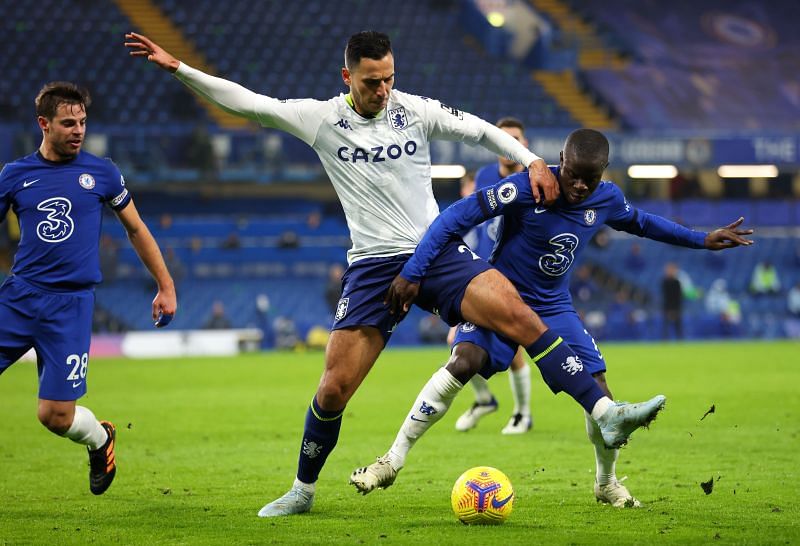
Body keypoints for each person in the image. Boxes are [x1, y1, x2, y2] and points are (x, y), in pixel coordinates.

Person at [126, 31, 664, 518]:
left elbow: (479, 131)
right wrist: (180, 69)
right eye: (372, 81)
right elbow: (249, 103)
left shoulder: (415, 110)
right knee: (333, 390)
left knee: (518, 313)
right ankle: (302, 490)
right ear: (347, 76)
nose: (383, 90)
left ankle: (604, 411)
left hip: (438, 252)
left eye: (389, 78)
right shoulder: (321, 119)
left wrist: (532, 160)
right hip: (372, 266)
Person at [350, 129, 754, 507]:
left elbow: (644, 223)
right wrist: (415, 271)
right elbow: (455, 217)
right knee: (463, 362)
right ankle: (391, 460)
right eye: (573, 175)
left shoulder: (606, 199)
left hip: (553, 305)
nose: (579, 186)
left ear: (603, 173)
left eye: (589, 180)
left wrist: (702, 239)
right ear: (562, 159)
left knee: (598, 388)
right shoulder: (529, 188)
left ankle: (606, 482)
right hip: (500, 297)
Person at [0, 82, 177, 495]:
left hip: (70, 307)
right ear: (44, 124)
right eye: (68, 123)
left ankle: (100, 439)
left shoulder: (102, 173)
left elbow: (136, 229)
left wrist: (165, 284)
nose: (78, 130)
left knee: (55, 417)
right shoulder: (14, 175)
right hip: (19, 298)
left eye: (82, 122)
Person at [449, 119, 533, 435]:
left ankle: (522, 414)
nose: (509, 144)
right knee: (457, 342)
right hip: (483, 274)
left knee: (513, 349)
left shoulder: (534, 178)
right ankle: (486, 401)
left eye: (515, 138)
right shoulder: (485, 176)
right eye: (503, 138)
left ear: (525, 144)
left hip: (518, 277)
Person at [661, 262, 683, 339]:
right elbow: (666, 297)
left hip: (676, 307)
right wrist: (669, 309)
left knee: (678, 326)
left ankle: (680, 341)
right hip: (667, 307)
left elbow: (678, 297)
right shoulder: (664, 282)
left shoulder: (677, 283)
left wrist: (676, 309)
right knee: (666, 326)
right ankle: (665, 340)